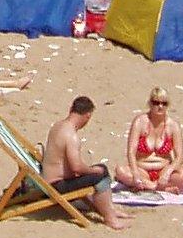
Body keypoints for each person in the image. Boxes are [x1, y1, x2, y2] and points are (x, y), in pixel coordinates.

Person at [41, 97, 131, 229]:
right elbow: (76, 167)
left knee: (99, 169)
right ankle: (110, 218)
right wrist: (93, 171)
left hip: (47, 181)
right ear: (88, 116)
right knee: (101, 174)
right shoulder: (71, 135)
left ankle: (109, 210)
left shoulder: (58, 126)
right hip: (57, 186)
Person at [115, 89, 183, 193]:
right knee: (120, 171)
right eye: (156, 103)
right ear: (150, 104)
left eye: (164, 103)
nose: (160, 106)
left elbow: (179, 156)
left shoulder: (173, 126)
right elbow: (131, 152)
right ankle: (158, 188)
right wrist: (135, 173)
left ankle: (148, 186)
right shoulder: (140, 122)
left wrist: (168, 171)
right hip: (142, 169)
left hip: (164, 170)